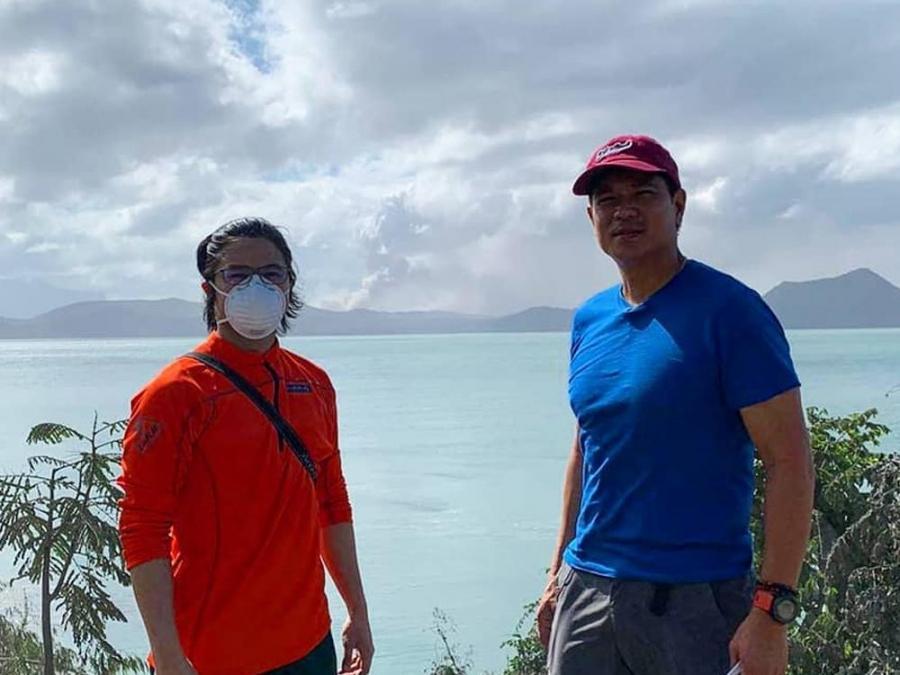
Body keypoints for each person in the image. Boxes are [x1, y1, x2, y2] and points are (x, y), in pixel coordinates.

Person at [536, 135, 815, 675]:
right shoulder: (589, 320)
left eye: (644, 193)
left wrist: (772, 613)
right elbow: (587, 445)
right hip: (587, 591)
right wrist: (556, 573)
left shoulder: (731, 312)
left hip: (694, 602)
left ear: (678, 205)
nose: (625, 210)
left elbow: (790, 462)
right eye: (608, 199)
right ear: (591, 216)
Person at [117, 218, 374, 675]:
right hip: (211, 654)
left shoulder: (313, 384)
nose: (256, 284)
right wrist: (171, 657)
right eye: (236, 274)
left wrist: (359, 612)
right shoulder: (175, 394)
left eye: (272, 273)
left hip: (310, 645)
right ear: (210, 289)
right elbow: (142, 530)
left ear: (289, 285)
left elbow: (332, 504)